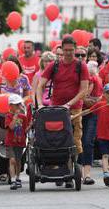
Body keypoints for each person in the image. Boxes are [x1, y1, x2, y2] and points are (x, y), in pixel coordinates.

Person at [37, 36, 89, 188]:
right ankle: (58, 169)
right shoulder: (55, 65)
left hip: (74, 108)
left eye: (71, 50)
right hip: (56, 109)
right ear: (61, 50)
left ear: (75, 49)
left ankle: (71, 169)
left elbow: (84, 89)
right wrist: (40, 104)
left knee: (74, 140)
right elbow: (40, 85)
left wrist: (70, 103)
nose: (68, 53)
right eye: (65, 50)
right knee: (56, 138)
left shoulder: (81, 66)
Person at [72, 83, 109, 188]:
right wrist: (76, 116)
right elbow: (88, 111)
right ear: (104, 94)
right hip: (103, 136)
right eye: (107, 93)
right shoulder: (100, 105)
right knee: (105, 155)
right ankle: (106, 175)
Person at [80, 60, 103, 185]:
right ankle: (77, 172)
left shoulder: (94, 79)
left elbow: (86, 95)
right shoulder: (93, 78)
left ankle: (87, 174)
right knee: (77, 142)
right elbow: (86, 96)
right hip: (79, 112)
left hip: (91, 113)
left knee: (87, 142)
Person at [5, 94, 28, 190]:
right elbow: (11, 127)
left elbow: (25, 129)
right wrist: (15, 117)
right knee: (12, 160)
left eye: (19, 104)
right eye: (16, 105)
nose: (18, 107)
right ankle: (13, 179)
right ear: (10, 106)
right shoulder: (8, 116)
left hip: (20, 141)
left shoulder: (24, 117)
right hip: (10, 142)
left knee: (18, 161)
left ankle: (18, 177)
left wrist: (30, 125)